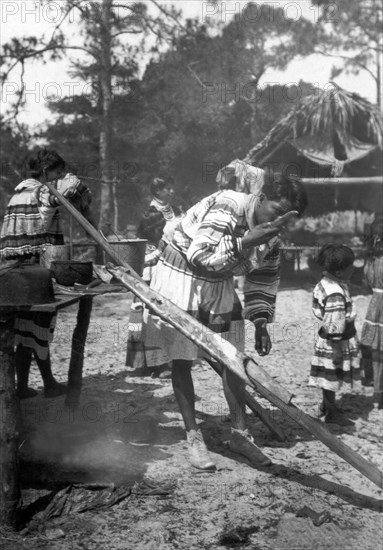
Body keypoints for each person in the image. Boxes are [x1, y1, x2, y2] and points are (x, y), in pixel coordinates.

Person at [141, 173, 307, 469]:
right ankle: (193, 435)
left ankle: (240, 434)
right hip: (181, 275)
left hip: (219, 281)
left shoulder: (271, 237)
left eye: (289, 218)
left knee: (233, 359)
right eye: (278, 212)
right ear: (261, 198)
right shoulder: (228, 204)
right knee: (182, 358)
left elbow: (263, 279)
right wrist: (245, 241)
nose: (280, 221)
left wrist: (260, 322)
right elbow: (198, 256)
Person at [0, 149, 93, 399]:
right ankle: (49, 384)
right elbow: (60, 199)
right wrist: (72, 183)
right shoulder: (41, 191)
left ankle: (22, 387)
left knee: (23, 330)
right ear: (44, 172)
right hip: (37, 272)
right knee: (40, 327)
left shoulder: (16, 195)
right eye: (57, 172)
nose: (59, 177)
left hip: (13, 274)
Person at [309, 244, 361, 426]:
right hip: (334, 342)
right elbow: (335, 323)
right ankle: (332, 412)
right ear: (340, 272)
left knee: (328, 376)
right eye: (351, 266)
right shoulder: (335, 294)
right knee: (331, 377)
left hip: (329, 340)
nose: (353, 269)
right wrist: (337, 349)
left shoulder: (326, 284)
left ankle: (326, 405)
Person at [126, 207, 169, 378]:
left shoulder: (162, 244)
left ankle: (161, 364)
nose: (162, 231)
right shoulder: (138, 244)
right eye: (159, 229)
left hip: (157, 290)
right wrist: (159, 253)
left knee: (156, 326)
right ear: (149, 229)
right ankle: (140, 364)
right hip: (140, 290)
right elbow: (141, 263)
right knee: (138, 326)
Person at [360, 216, 383, 409]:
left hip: (375, 305)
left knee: (376, 350)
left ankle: (377, 392)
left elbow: (366, 284)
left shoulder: (371, 260)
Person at [150, 177, 184, 243]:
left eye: (173, 188)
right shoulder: (150, 213)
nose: (172, 191)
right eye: (168, 189)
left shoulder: (177, 210)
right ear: (157, 191)